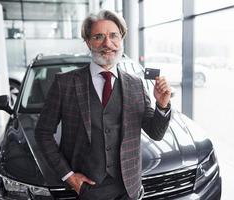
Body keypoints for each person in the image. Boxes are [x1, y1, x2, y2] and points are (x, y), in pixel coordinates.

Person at [35, 9, 171, 200]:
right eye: (99, 37)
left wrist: (162, 105)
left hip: (128, 190)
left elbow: (155, 133)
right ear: (88, 42)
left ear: (121, 39)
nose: (108, 43)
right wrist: (68, 176)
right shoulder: (64, 83)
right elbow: (42, 133)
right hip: (86, 190)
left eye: (113, 35)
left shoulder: (136, 85)